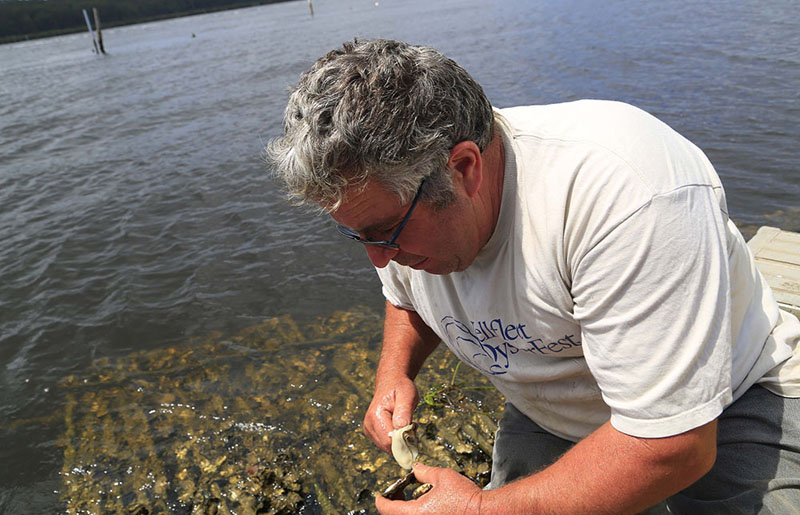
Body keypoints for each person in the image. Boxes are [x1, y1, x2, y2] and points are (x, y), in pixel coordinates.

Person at [267, 38, 800, 514]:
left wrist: (479, 510)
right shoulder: (408, 216)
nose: (380, 260)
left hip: (732, 400)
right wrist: (394, 372)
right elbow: (404, 297)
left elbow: (674, 445)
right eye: (359, 236)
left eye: (385, 231)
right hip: (554, 413)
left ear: (465, 168)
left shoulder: (623, 194)